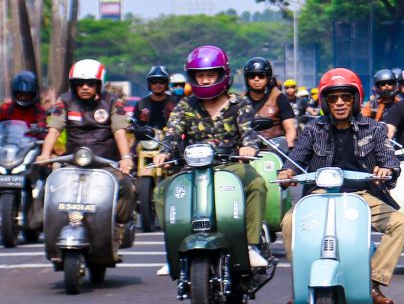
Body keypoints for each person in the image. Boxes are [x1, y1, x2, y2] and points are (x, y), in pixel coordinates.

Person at [279, 68, 404, 304]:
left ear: (355, 99)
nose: (339, 103)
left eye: (346, 97)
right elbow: (296, 157)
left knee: (399, 223)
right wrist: (287, 171)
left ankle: (374, 282)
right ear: (325, 102)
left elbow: (390, 159)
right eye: (333, 98)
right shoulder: (313, 128)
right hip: (320, 194)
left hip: (362, 195)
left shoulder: (374, 128)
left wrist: (386, 169)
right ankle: (303, 283)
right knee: (289, 223)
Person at [152, 46, 269, 269]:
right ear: (192, 77)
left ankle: (250, 245)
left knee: (256, 184)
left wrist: (249, 147)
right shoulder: (186, 105)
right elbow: (173, 131)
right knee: (161, 192)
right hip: (193, 169)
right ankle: (175, 249)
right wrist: (164, 151)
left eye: (210, 75)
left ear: (222, 74)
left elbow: (249, 132)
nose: (205, 80)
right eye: (200, 75)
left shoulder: (240, 104)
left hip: (231, 166)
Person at [37, 59, 136, 254]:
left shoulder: (113, 102)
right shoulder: (64, 101)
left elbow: (119, 132)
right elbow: (54, 130)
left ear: (99, 84)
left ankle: (119, 225)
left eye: (90, 83)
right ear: (73, 85)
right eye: (80, 83)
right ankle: (48, 227)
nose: (84, 87)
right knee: (48, 187)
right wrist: (45, 154)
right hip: (72, 162)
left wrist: (125, 157)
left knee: (127, 186)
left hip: (105, 164)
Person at [242, 57, 297, 149]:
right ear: (246, 78)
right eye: (252, 76)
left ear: (268, 77)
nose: (256, 79)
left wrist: (286, 147)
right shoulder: (240, 101)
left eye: (261, 75)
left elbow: (290, 129)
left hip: (274, 151)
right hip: (246, 152)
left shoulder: (279, 97)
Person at [135, 66, 178, 132]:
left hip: (170, 137)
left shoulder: (175, 102)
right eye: (154, 82)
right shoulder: (141, 103)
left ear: (166, 84)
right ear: (149, 84)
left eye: (161, 82)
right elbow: (135, 125)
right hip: (146, 137)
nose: (157, 85)